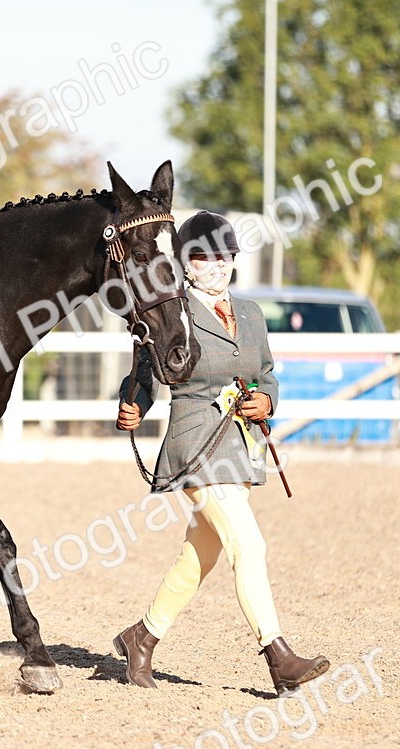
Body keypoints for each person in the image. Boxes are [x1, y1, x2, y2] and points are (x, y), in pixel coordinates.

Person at [111, 210, 329, 696]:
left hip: (239, 446)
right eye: (205, 258)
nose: (217, 265)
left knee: (200, 556)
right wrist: (134, 405)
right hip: (194, 442)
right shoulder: (174, 310)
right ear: (186, 263)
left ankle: (140, 638)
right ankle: (279, 656)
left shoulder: (250, 313)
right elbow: (145, 372)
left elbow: (266, 370)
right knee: (249, 546)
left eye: (224, 256)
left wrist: (267, 398)